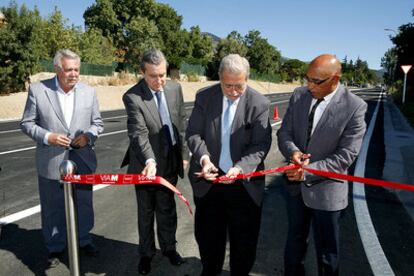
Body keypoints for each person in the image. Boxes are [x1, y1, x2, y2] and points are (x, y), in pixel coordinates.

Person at [277, 54, 367, 276]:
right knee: (294, 243)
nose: (308, 85)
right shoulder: (299, 95)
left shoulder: (355, 107)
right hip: (294, 190)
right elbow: (284, 131)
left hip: (328, 193)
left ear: (334, 80)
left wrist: (307, 171)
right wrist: (293, 151)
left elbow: (346, 155)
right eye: (307, 78)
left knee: (328, 253)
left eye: (315, 81)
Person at [186, 54, 272, 276]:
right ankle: (210, 270)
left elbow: (260, 144)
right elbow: (194, 133)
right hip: (210, 181)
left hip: (243, 185)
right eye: (228, 85)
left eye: (239, 86)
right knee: (208, 237)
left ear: (247, 79)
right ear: (219, 78)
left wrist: (241, 168)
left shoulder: (259, 103)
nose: (233, 92)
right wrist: (204, 159)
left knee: (244, 242)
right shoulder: (204, 97)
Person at [20, 49, 104, 267]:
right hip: (51, 161)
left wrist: (89, 136)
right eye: (69, 70)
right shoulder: (38, 91)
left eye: (77, 69)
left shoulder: (89, 92)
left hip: (83, 160)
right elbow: (27, 123)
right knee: (52, 207)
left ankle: (84, 239)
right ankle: (55, 246)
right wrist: (49, 137)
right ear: (57, 69)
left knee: (84, 204)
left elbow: (98, 123)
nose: (74, 74)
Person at [121, 49, 189, 275]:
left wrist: (184, 154)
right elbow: (138, 133)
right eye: (153, 76)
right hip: (145, 164)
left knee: (167, 208)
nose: (160, 81)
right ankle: (146, 254)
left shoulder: (175, 88)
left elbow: (181, 120)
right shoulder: (132, 97)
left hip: (170, 157)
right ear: (142, 72)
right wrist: (150, 160)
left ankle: (169, 249)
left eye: (163, 74)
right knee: (146, 211)